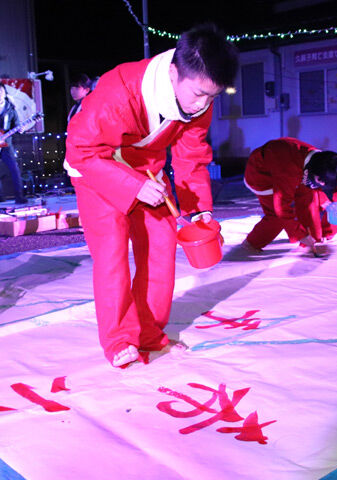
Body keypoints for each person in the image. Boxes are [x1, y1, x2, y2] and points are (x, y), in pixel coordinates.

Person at [65, 23, 238, 367]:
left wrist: (199, 210)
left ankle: (148, 333)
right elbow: (80, 150)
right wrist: (131, 186)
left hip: (147, 172)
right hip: (96, 169)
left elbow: (191, 156)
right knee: (112, 251)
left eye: (212, 97)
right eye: (198, 94)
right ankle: (118, 339)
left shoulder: (200, 98)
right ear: (174, 73)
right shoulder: (119, 90)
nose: (202, 105)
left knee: (161, 244)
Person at [243, 137, 337, 252]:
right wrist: (300, 235)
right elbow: (281, 208)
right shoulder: (288, 170)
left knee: (309, 200)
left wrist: (324, 201)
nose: (320, 185)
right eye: (320, 181)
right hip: (262, 173)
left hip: (293, 166)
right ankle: (251, 243)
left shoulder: (321, 160)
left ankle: (312, 239)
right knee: (276, 217)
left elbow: (312, 189)